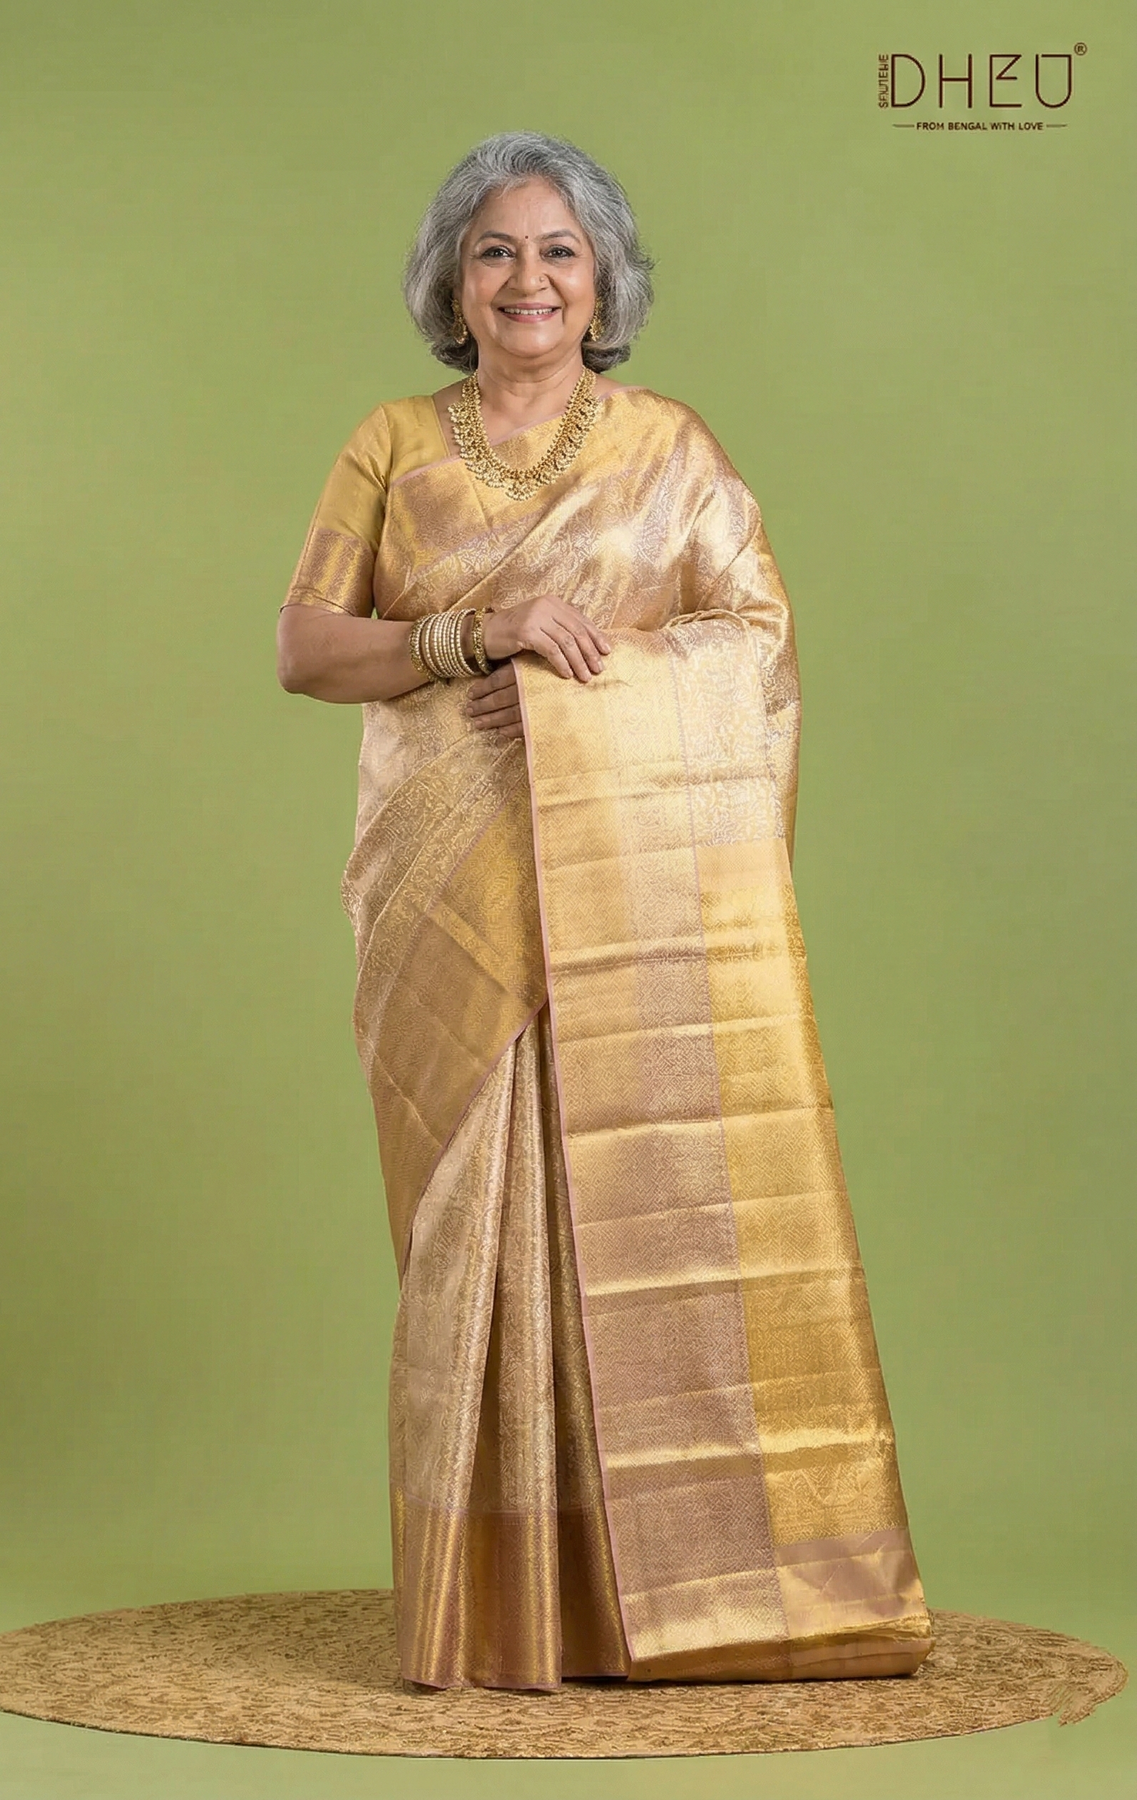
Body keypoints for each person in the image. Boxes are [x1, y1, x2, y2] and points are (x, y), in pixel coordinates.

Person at [276, 132, 932, 1692]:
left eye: (559, 251)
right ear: (453, 281)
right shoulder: (390, 445)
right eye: (495, 250)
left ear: (606, 280)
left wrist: (593, 699)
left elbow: (756, 650)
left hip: (630, 894)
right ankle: (496, 1610)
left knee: (643, 1220)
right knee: (470, 1238)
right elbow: (306, 648)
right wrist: (477, 635)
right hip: (446, 888)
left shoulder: (670, 449)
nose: (529, 280)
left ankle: (669, 1605)